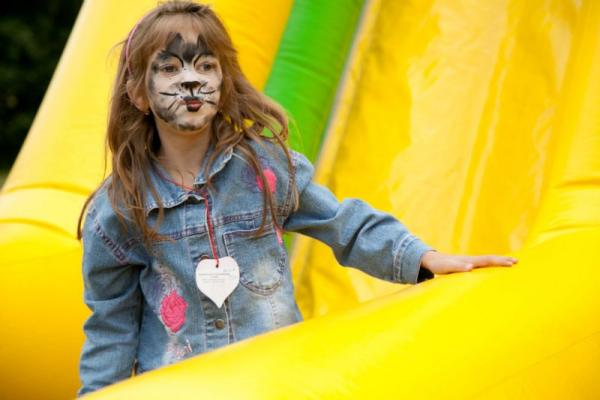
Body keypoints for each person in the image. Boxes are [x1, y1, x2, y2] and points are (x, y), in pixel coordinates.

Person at [76, 1, 518, 396]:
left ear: (224, 82)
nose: (191, 80)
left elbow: (346, 227)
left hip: (275, 382)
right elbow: (111, 329)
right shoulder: (118, 211)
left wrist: (423, 258)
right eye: (170, 69)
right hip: (185, 391)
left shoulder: (264, 170)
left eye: (205, 65)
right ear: (138, 93)